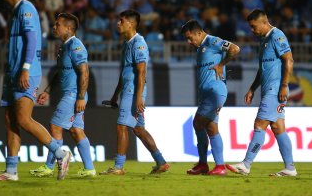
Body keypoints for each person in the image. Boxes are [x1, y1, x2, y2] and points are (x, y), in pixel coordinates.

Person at [0, 0, 71, 181]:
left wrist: (25, 68)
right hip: (13, 73)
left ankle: (60, 153)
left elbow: (32, 40)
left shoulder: (26, 9)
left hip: (26, 73)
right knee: (10, 120)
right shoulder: (14, 11)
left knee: (23, 119)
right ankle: (11, 171)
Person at [226, 9, 297, 177]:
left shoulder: (277, 36)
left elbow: (289, 60)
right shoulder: (264, 41)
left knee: (259, 125)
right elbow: (262, 69)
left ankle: (246, 164)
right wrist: (252, 88)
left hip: (275, 90)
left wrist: (285, 85)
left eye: (253, 26)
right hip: (269, 89)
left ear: (264, 22)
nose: (252, 30)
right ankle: (290, 168)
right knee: (278, 127)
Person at [100, 10, 169, 175]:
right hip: (128, 91)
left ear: (131, 24)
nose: (118, 23)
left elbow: (142, 73)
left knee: (121, 126)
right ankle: (161, 162)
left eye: (121, 21)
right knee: (139, 129)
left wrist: (138, 97)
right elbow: (125, 72)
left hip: (133, 93)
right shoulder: (127, 44)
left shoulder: (139, 43)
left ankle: (118, 167)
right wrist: (115, 95)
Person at [29, 13, 96, 178]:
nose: (54, 27)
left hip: (74, 95)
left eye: (57, 24)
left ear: (68, 28)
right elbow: (60, 74)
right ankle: (89, 169)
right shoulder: (64, 47)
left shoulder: (76, 46)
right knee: (76, 131)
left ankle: (50, 166)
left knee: (55, 126)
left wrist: (80, 97)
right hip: (72, 94)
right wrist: (47, 91)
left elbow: (84, 71)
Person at [181, 20, 240, 175]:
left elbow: (235, 48)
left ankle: (203, 164)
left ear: (199, 33)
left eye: (190, 37)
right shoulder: (201, 48)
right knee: (211, 128)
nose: (189, 42)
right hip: (207, 93)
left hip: (215, 91)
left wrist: (222, 65)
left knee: (198, 123)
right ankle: (218, 167)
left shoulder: (213, 41)